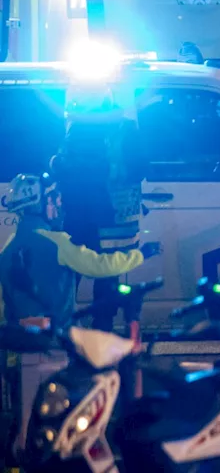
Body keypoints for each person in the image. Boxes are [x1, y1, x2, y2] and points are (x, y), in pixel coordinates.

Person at [0, 173, 159, 329]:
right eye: (51, 200)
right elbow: (100, 266)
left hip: (18, 335)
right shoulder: (58, 243)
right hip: (55, 337)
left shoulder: (8, 247)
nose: (58, 205)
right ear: (38, 206)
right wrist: (140, 254)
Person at [52, 83, 147, 330]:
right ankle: (102, 331)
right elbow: (141, 168)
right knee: (108, 276)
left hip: (78, 217)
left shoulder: (75, 131)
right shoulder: (125, 129)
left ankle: (62, 328)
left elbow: (58, 168)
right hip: (114, 219)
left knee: (69, 274)